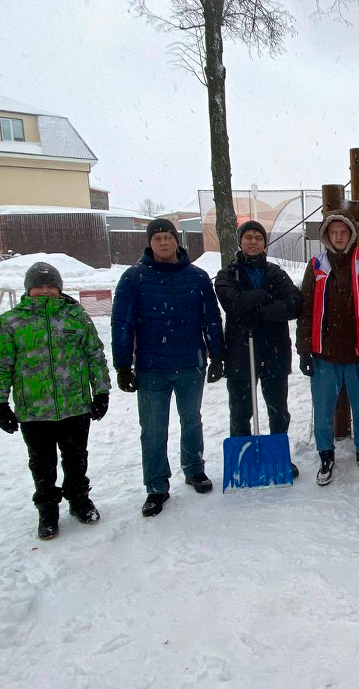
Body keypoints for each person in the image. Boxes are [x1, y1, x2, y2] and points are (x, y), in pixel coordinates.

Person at [0, 262, 110, 540]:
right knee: (42, 462)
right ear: (28, 289)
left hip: (74, 405)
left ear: (59, 289)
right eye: (39, 286)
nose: (45, 291)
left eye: (50, 286)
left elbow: (94, 355)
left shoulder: (75, 316)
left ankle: (79, 499)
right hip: (34, 409)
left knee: (76, 457)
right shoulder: (11, 322)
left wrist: (101, 391)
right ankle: (47, 509)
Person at [112, 218, 225, 517]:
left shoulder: (198, 278)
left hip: (190, 363)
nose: (163, 242)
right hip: (152, 367)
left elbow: (211, 319)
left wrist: (217, 356)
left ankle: (193, 469)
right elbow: (122, 323)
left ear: (177, 240)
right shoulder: (134, 279)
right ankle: (157, 486)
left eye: (168, 237)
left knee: (191, 420)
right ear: (149, 243)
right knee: (152, 429)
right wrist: (123, 365)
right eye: (157, 238)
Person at [214, 220, 303, 476]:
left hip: (273, 350)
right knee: (241, 410)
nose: (253, 241)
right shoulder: (228, 274)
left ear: (265, 243)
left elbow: (294, 303)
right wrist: (261, 296)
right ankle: (243, 458)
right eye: (248, 237)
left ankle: (278, 454)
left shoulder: (276, 273)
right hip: (240, 352)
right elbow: (232, 302)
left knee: (278, 409)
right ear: (240, 242)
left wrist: (264, 310)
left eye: (258, 237)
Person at [296, 214, 359, 486]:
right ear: (327, 235)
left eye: (344, 232)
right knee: (323, 408)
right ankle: (325, 453)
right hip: (324, 353)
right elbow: (305, 308)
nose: (339, 236)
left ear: (352, 234)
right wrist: (304, 348)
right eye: (334, 232)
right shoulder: (317, 265)